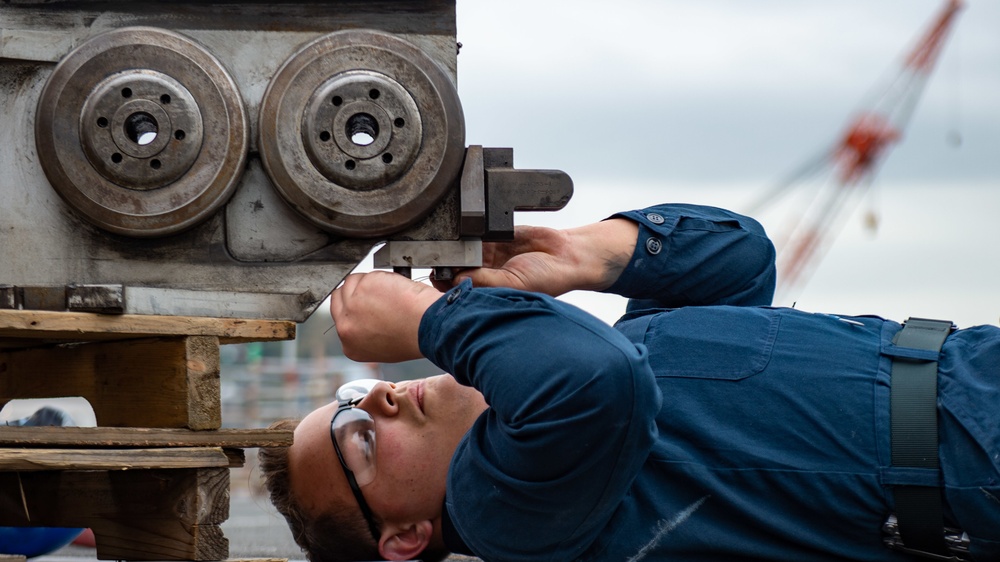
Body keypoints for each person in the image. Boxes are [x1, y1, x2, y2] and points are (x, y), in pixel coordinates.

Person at [259, 203, 1000, 562]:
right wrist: (432, 317)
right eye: (358, 438)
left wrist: (583, 257)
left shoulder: (583, 437)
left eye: (354, 399)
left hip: (975, 376)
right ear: (406, 537)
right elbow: (592, 379)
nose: (378, 397)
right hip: (974, 463)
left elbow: (741, 259)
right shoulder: (507, 516)